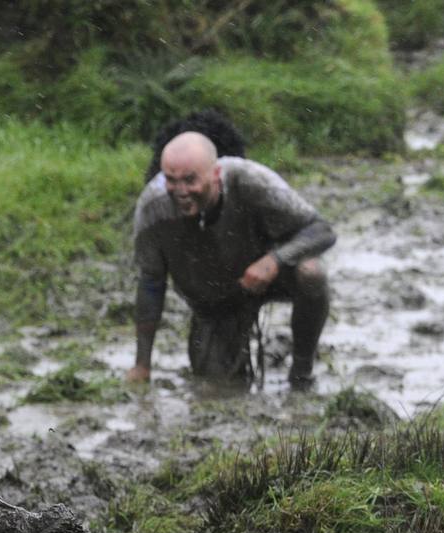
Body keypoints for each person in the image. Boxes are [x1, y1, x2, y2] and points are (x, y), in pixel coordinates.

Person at [126, 130, 336, 388]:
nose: (180, 191)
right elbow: (150, 283)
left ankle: (302, 371)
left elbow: (322, 231)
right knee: (216, 385)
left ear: (215, 174)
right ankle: (253, 347)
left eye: (190, 180)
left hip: (272, 275)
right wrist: (142, 365)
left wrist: (274, 260)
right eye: (171, 180)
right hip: (216, 299)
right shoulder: (153, 208)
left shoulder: (252, 181)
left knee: (311, 272)